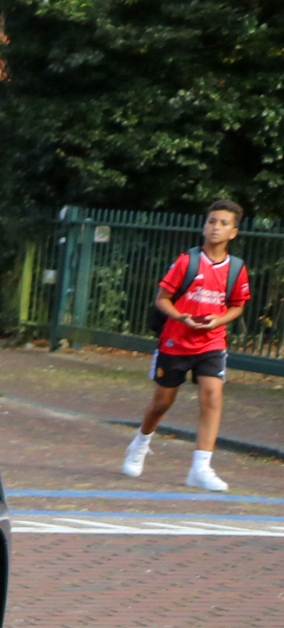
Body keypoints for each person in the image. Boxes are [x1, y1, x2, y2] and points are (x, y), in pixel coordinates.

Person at [122, 198, 252, 491]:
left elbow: (237, 306)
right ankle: (140, 443)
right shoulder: (187, 261)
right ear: (204, 226)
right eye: (212, 222)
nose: (216, 227)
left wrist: (219, 321)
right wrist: (181, 316)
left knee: (212, 397)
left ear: (233, 232)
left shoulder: (237, 269)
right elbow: (161, 299)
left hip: (212, 343)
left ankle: (200, 468)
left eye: (223, 223)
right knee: (162, 403)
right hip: (176, 341)